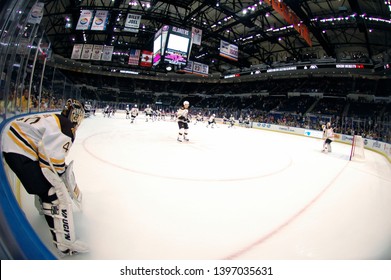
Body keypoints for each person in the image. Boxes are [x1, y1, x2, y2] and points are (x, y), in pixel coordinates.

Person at [1, 99, 88, 256]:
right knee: (54, 194)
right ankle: (64, 244)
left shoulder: (55, 118)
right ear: (76, 116)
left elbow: (46, 156)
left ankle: (43, 207)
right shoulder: (67, 128)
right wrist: (64, 183)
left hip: (13, 144)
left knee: (44, 183)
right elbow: (51, 167)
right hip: (19, 151)